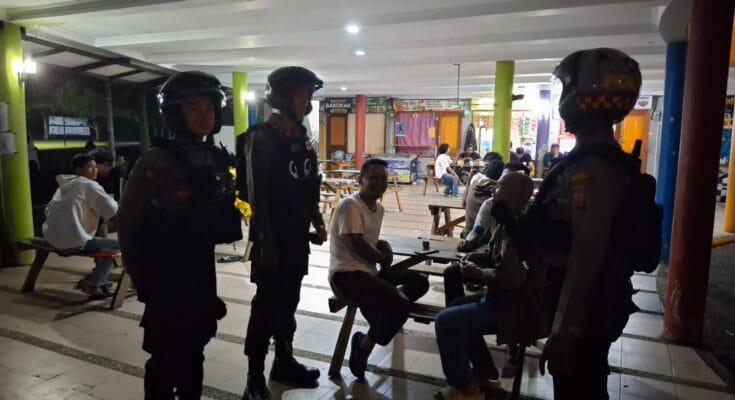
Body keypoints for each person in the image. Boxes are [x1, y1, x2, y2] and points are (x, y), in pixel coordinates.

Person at [117, 71, 241, 399]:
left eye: (210, 107)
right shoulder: (157, 160)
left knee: (196, 344)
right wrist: (136, 271)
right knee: (164, 352)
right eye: (194, 107)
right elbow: (129, 219)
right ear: (175, 113)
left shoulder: (216, 158)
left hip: (200, 266)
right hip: (165, 270)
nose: (204, 115)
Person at [532, 48, 643, 399]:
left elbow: (586, 254)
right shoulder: (600, 160)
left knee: (578, 387)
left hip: (589, 308)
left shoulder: (591, 169)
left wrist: (565, 331)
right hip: (595, 301)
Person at [239, 66, 328, 400]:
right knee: (265, 306)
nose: (306, 103)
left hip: (295, 238)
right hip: (271, 240)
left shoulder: (301, 138)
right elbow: (257, 193)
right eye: (300, 97)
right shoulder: (261, 138)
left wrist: (317, 220)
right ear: (282, 99)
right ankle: (254, 377)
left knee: (289, 301)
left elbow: (308, 183)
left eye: (307, 97)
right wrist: (265, 241)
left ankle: (284, 361)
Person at [434, 172, 534, 400]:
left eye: (500, 188)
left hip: (515, 307)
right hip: (502, 299)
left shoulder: (521, 228)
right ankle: (485, 372)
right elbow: (496, 253)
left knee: (445, 321)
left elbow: (511, 279)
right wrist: (482, 257)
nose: (494, 192)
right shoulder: (507, 220)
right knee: (457, 305)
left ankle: (467, 390)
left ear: (517, 195)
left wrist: (478, 272)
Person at [329, 158, 430, 379]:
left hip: (369, 274)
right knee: (401, 305)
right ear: (360, 180)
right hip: (347, 276)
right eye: (373, 178)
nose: (379, 183)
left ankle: (382, 312)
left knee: (420, 282)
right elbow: (357, 242)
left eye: (383, 178)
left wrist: (385, 247)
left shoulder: (379, 209)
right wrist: (383, 258)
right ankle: (364, 345)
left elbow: (371, 240)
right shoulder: (350, 204)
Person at [42, 153, 119, 298]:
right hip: (73, 243)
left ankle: (97, 279)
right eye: (90, 167)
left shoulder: (62, 188)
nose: (94, 170)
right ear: (78, 170)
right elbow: (111, 209)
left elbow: (48, 210)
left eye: (95, 167)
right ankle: (94, 284)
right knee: (121, 247)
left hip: (52, 240)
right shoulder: (89, 184)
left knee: (101, 243)